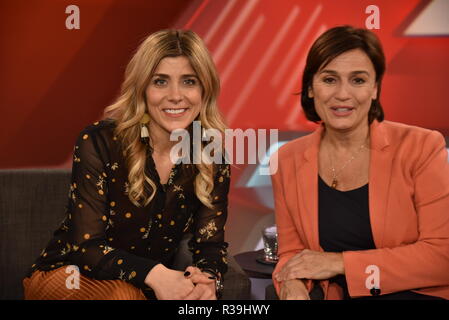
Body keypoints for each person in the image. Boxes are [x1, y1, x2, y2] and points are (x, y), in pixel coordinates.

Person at [23, 29, 230, 300]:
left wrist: (208, 280)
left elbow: (210, 245)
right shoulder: (99, 141)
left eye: (189, 81)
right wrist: (156, 274)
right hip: (66, 276)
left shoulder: (211, 155)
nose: (176, 95)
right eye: (160, 82)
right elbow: (85, 247)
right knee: (124, 297)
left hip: (142, 288)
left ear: (205, 89)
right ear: (142, 88)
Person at [270, 25, 449, 300]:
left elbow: (442, 255)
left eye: (358, 80)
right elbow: (292, 253)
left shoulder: (422, 146)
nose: (343, 94)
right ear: (310, 88)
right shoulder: (286, 160)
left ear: (375, 88)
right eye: (330, 79)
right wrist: (292, 284)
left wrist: (339, 262)